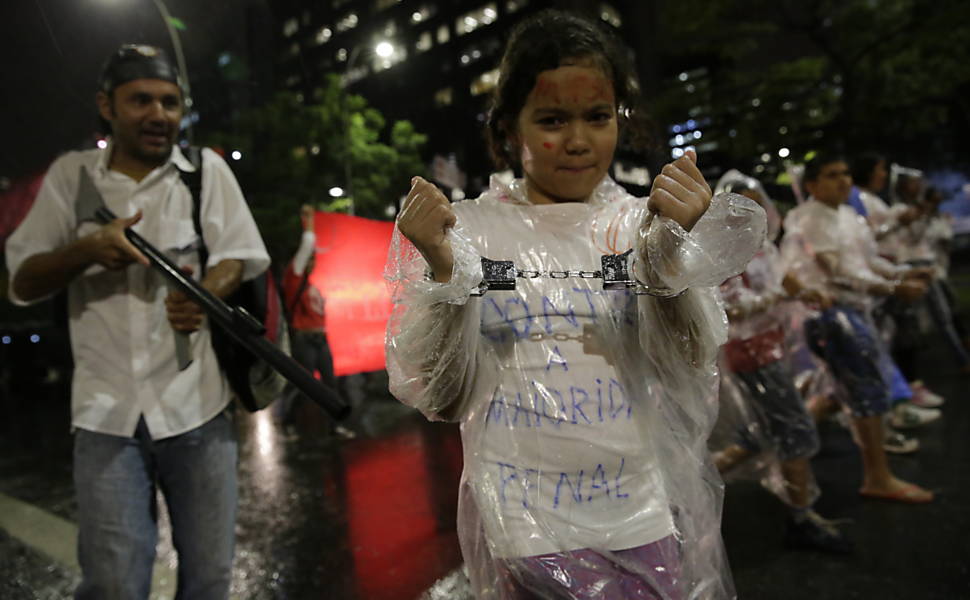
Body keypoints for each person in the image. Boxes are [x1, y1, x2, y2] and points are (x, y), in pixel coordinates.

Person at [385, 11, 765, 599]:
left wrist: (671, 259)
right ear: (509, 127)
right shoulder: (467, 232)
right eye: (552, 120)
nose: (579, 140)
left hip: (639, 512)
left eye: (598, 116)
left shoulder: (644, 223)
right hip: (525, 526)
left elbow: (687, 367)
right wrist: (442, 273)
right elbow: (443, 396)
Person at [4, 45, 270, 599]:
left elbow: (239, 254)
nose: (158, 114)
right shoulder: (71, 177)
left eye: (170, 102)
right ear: (107, 106)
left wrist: (205, 295)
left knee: (209, 579)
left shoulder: (205, 171)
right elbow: (21, 280)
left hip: (197, 408)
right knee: (114, 584)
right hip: (105, 416)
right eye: (141, 100)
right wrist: (86, 250)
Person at [780, 154, 934, 504]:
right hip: (832, 316)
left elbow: (866, 261)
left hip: (851, 311)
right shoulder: (813, 219)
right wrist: (894, 287)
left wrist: (902, 273)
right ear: (812, 185)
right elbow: (839, 274)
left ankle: (786, 448)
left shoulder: (846, 215)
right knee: (868, 392)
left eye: (846, 173)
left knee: (837, 393)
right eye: (832, 175)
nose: (843, 180)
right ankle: (877, 476)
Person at [711, 170, 851, 554]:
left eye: (757, 206)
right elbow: (730, 307)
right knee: (795, 429)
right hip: (751, 351)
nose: (751, 214)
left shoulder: (762, 247)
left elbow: (784, 277)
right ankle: (801, 519)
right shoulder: (724, 254)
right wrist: (775, 298)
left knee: (759, 433)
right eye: (741, 207)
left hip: (772, 344)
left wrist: (805, 292)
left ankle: (685, 487)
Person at [278, 204, 353, 438]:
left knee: (330, 383)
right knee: (304, 385)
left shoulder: (311, 285)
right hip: (305, 340)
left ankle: (334, 425)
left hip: (321, 339)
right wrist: (309, 224)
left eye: (313, 259)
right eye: (307, 259)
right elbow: (307, 244)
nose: (311, 262)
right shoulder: (293, 280)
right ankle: (288, 423)